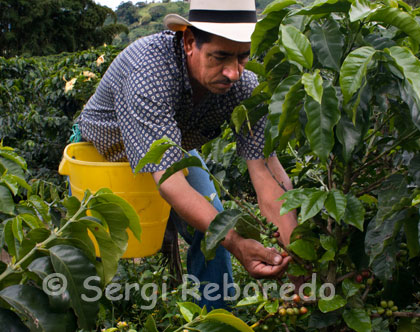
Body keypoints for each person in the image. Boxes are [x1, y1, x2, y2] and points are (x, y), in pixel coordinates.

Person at [76, 0, 297, 309]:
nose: (234, 72)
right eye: (220, 57)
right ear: (190, 42)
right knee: (92, 244)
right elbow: (172, 183)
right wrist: (236, 243)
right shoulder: (148, 72)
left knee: (213, 229)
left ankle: (217, 321)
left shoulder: (244, 87)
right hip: (104, 151)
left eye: (243, 57)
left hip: (171, 146)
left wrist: (299, 254)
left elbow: (267, 175)